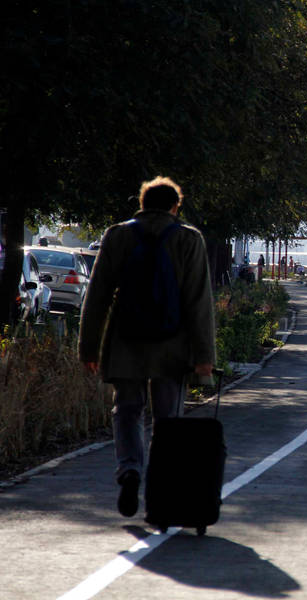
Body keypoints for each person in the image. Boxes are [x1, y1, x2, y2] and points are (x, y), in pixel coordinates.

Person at [77, 176, 215, 518]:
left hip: (126, 342)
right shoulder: (189, 239)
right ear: (175, 206)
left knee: (127, 410)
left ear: (142, 203)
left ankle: (129, 470)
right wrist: (204, 357)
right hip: (173, 347)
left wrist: (89, 348)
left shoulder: (118, 235)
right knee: (169, 420)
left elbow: (97, 297)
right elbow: (199, 302)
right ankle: (162, 490)